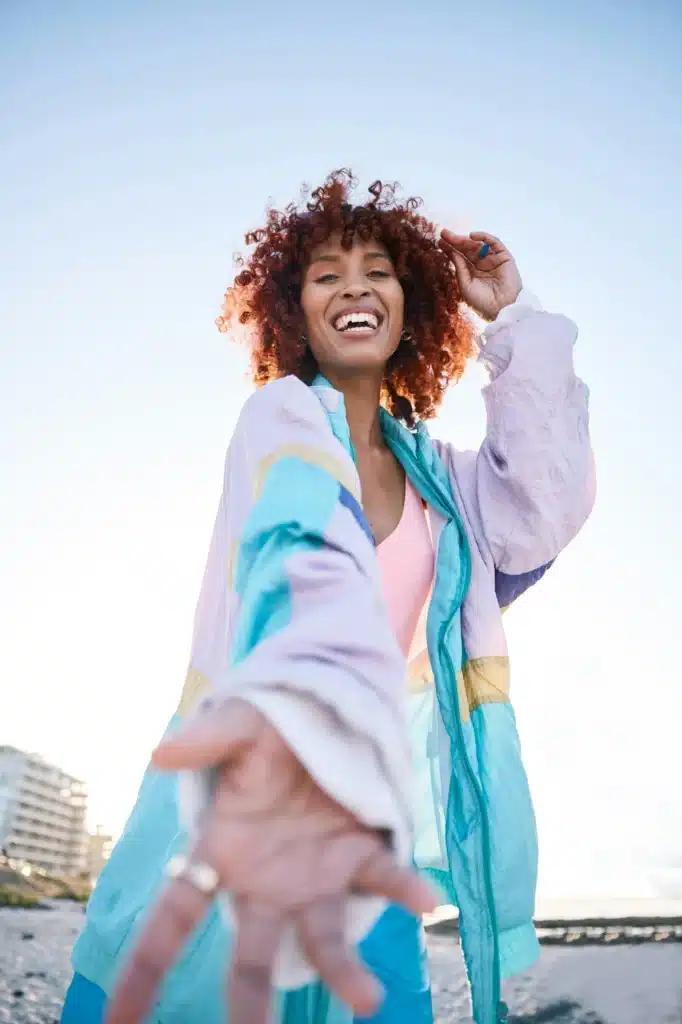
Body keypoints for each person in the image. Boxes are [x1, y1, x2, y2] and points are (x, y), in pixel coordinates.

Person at [61, 170, 595, 1024]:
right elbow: (299, 545)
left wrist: (514, 314)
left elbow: (544, 502)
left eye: (379, 269)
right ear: (295, 310)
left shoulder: (441, 483)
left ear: (410, 304)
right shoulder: (279, 418)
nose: (354, 285)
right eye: (326, 273)